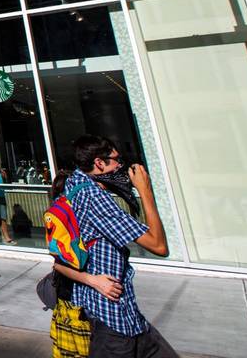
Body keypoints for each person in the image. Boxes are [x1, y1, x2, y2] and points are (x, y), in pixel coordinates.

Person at [68, 134, 176, 357]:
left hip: (123, 311)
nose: (121, 165)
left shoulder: (75, 183)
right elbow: (158, 245)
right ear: (99, 163)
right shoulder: (93, 197)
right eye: (116, 160)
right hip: (111, 313)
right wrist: (144, 190)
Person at [47, 169, 123, 358]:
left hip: (74, 301)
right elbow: (58, 263)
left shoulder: (69, 218)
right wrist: (93, 280)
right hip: (75, 303)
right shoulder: (67, 220)